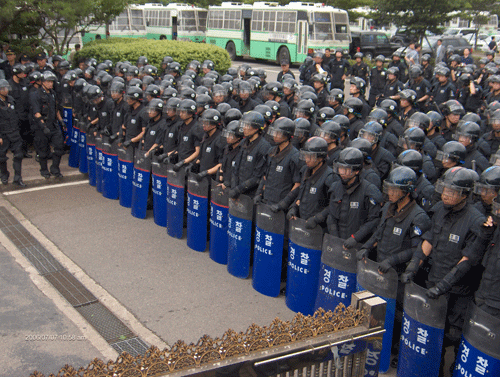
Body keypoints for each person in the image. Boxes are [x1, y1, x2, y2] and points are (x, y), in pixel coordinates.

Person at [401, 167, 487, 376]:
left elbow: (467, 261)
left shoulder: (475, 220)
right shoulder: (439, 208)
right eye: (445, 189)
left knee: (452, 335)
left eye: (452, 191)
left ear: (465, 194)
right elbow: (429, 239)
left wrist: (444, 286)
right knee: (430, 333)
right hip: (433, 282)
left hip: (457, 291)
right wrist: (414, 266)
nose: (446, 194)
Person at [358, 166, 431, 367]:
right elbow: (378, 234)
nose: (389, 193)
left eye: (394, 190)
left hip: (398, 273)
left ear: (406, 192)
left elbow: (416, 250)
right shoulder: (388, 209)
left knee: (396, 314)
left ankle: (392, 349)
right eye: (389, 189)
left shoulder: (418, 216)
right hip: (381, 268)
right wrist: (366, 248)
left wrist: (393, 260)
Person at [30, 71, 65, 178]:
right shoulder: (35, 95)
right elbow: (36, 113)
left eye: (52, 82)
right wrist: (43, 127)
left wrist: (61, 121)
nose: (51, 84)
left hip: (53, 125)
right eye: (48, 82)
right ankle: (44, 170)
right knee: (43, 151)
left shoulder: (53, 94)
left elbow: (56, 109)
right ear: (43, 82)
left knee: (59, 148)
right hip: (41, 127)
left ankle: (55, 168)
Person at [0, 79, 25, 186]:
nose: (6, 90)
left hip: (14, 132)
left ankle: (18, 178)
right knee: (1, 157)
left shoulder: (11, 100)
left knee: (18, 155)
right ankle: (4, 175)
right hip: (3, 134)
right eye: (4, 88)